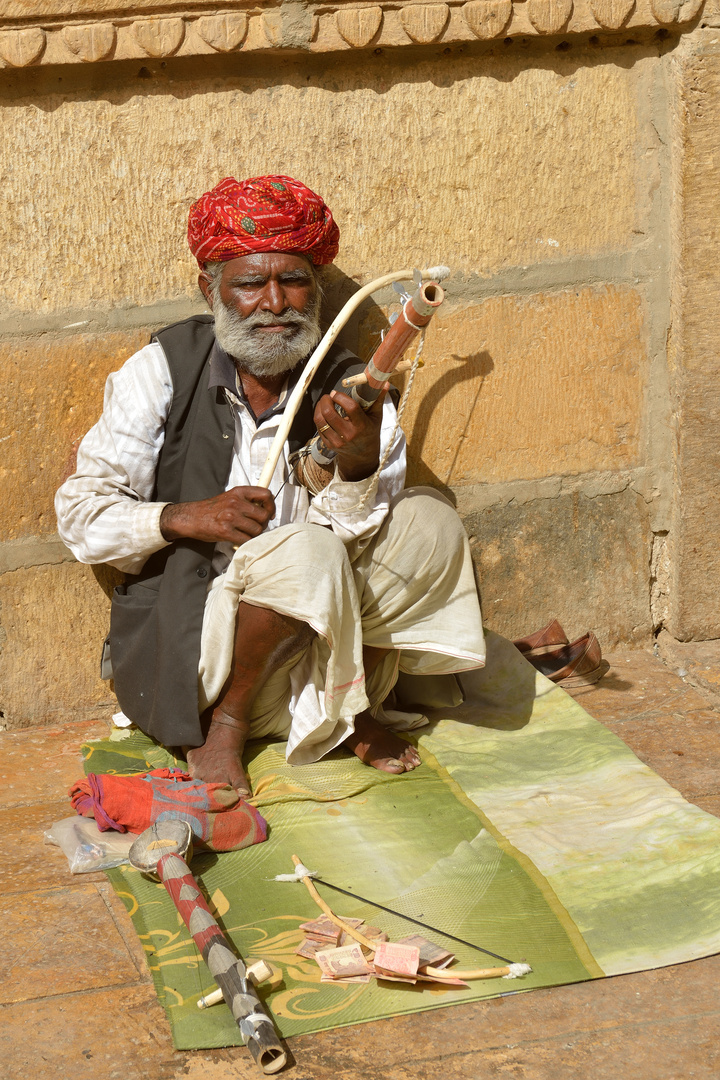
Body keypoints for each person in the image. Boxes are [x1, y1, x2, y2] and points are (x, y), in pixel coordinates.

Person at [56, 175, 486, 796]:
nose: (275, 303)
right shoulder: (162, 370)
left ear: (316, 290)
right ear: (212, 290)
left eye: (294, 281)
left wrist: (359, 465)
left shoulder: (347, 384)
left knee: (430, 519)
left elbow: (356, 534)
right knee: (309, 553)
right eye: (251, 283)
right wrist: (181, 517)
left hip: (308, 651)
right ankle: (224, 726)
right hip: (199, 654)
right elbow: (79, 514)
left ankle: (349, 707)